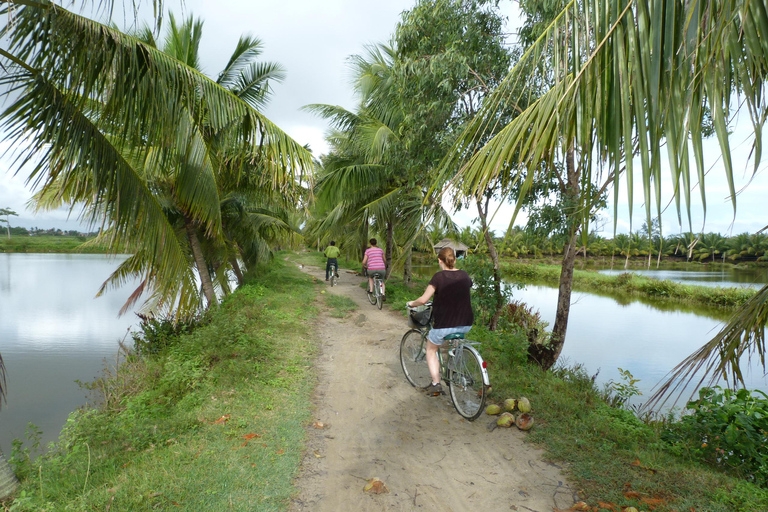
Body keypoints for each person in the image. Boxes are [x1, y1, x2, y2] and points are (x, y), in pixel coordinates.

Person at [406, 247, 473, 396]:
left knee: (431, 349)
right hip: (466, 323)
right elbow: (464, 288)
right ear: (454, 260)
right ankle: (453, 370)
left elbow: (424, 300)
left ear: (439, 260)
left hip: (445, 325)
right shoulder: (464, 275)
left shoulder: (438, 277)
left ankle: (436, 383)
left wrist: (411, 303)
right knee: (453, 343)